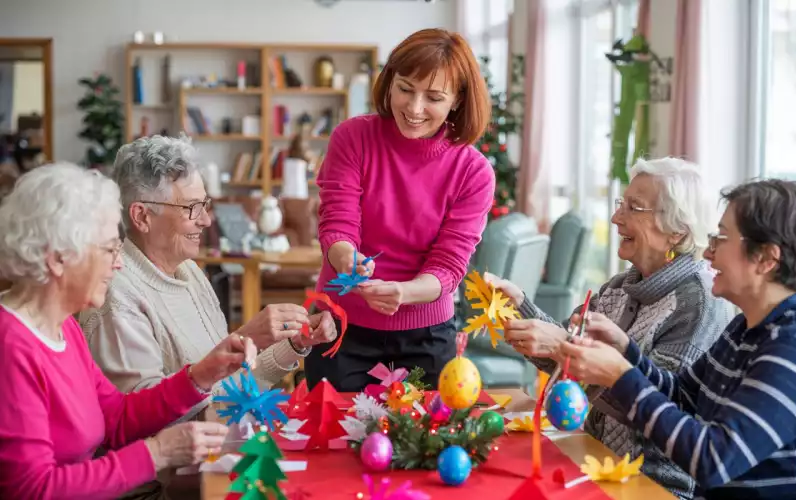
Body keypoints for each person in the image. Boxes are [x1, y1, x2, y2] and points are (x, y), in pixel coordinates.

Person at [0, 163, 257, 499]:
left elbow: (115, 418)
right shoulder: (11, 347)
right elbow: (32, 490)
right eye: (109, 249)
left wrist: (200, 375)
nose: (119, 263)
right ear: (57, 258)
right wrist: (158, 453)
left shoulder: (62, 326)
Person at [488, 157, 732, 498]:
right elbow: (569, 363)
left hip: (652, 484)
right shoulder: (622, 285)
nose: (617, 218)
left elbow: (662, 413)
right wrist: (520, 309)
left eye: (634, 207)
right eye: (621, 204)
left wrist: (560, 344)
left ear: (676, 231)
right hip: (593, 459)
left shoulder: (698, 305)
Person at [562, 179, 796, 500]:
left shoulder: (790, 347)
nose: (708, 250)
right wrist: (626, 352)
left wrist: (619, 375)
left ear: (766, 259)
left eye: (722, 238)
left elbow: (713, 459)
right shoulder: (745, 326)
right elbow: (685, 396)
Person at [304, 28, 495, 392]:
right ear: (389, 82)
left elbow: (449, 265)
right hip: (341, 326)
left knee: (424, 446)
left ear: (456, 100)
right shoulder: (352, 138)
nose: (414, 107)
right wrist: (349, 261)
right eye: (405, 88)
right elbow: (337, 224)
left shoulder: (473, 171)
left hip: (426, 337)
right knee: (331, 444)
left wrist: (403, 293)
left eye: (434, 97)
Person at [80, 135, 337, 402]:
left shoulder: (189, 272)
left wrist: (294, 344)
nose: (205, 220)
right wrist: (245, 337)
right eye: (191, 208)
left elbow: (226, 390)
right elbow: (148, 422)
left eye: (205, 204)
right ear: (142, 216)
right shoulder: (116, 299)